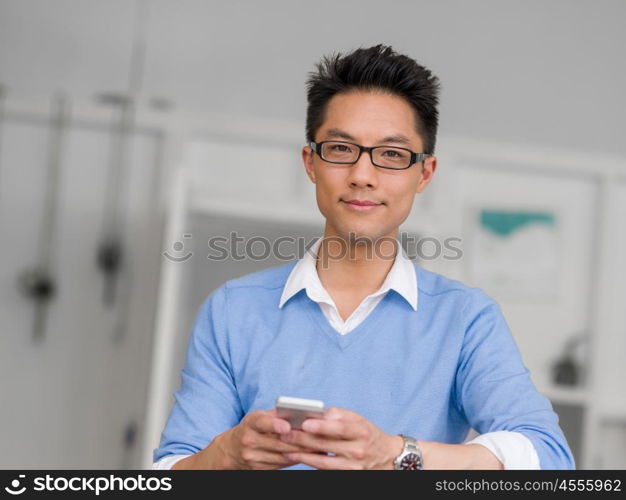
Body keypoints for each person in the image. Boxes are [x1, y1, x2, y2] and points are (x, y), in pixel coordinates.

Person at [152, 44, 575, 470]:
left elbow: (549, 459)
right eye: (340, 148)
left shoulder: (465, 320)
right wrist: (224, 456)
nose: (362, 176)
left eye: (392, 154)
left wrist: (395, 453)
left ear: (424, 174)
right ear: (311, 163)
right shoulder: (232, 311)